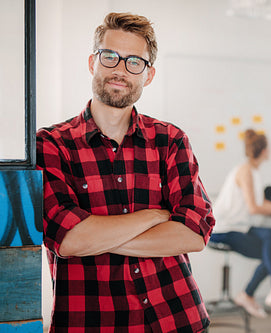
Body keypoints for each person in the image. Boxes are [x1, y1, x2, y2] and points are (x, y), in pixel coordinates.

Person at [36, 13, 215, 332]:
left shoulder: (170, 141)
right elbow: (68, 240)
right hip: (92, 321)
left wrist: (96, 235)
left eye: (135, 61)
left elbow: (193, 233)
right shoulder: (51, 144)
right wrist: (155, 216)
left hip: (175, 317)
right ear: (93, 62)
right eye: (110, 57)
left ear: (148, 75)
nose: (120, 69)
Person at [211, 129, 271, 319]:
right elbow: (253, 207)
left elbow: (259, 203)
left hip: (238, 226)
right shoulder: (246, 171)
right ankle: (264, 291)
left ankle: (258, 293)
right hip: (223, 229)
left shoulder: (253, 171)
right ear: (264, 150)